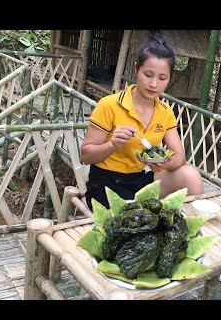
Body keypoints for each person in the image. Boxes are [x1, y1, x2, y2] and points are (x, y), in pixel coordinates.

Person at [81, 33, 203, 210]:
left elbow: (179, 157)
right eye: (148, 74)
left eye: (162, 78)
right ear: (137, 69)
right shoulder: (109, 105)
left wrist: (164, 163)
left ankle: (192, 227)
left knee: (190, 175)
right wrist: (112, 145)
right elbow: (85, 156)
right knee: (133, 221)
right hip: (105, 186)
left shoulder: (165, 111)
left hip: (138, 181)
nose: (154, 84)